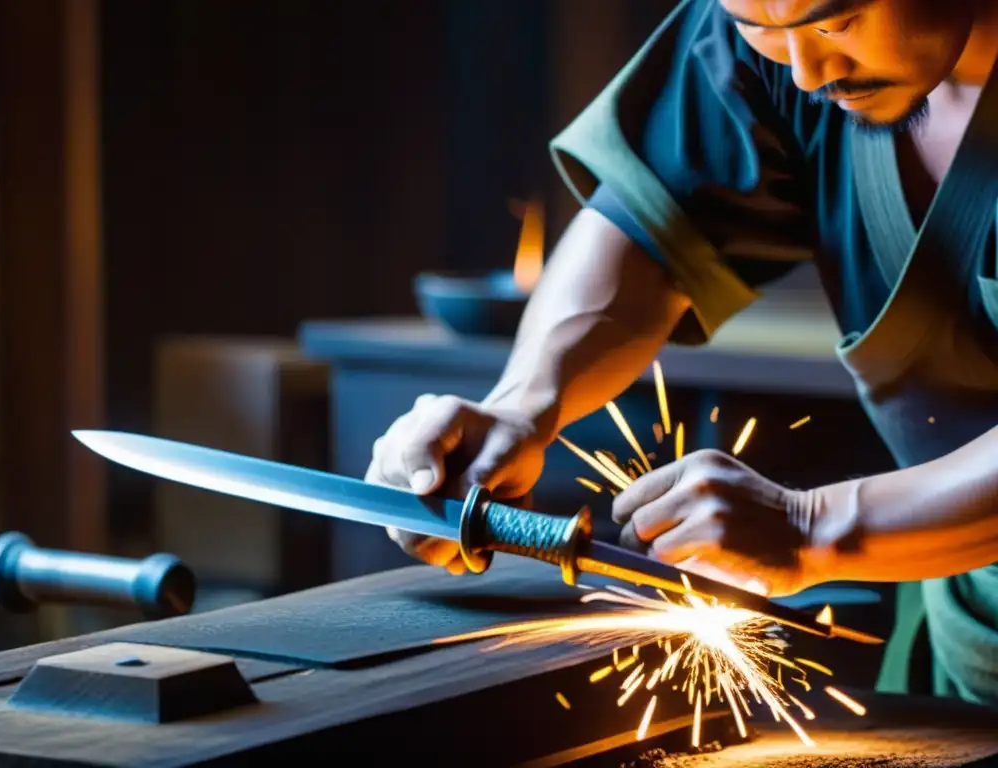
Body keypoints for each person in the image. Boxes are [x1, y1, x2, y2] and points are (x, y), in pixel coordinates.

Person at [365, 0, 998, 705]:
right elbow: (649, 226)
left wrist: (810, 527)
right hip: (964, 655)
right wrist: (523, 404)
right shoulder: (772, 31)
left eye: (836, 20)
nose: (807, 70)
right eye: (758, 27)